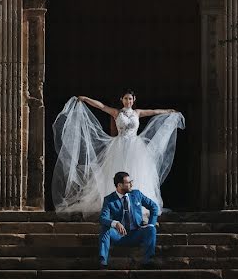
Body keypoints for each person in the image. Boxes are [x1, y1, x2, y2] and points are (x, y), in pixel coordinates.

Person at [51, 89, 185, 213]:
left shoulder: (137, 113)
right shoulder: (117, 113)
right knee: (115, 172)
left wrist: (168, 111)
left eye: (130, 99)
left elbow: (154, 111)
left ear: (134, 99)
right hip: (119, 145)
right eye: (126, 98)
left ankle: (135, 203)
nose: (128, 101)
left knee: (137, 172)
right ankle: (116, 203)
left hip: (135, 146)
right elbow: (101, 106)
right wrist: (86, 99)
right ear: (122, 99)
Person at [98, 172, 159, 268]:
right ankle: (102, 262)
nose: (131, 184)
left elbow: (154, 207)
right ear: (119, 185)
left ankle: (148, 261)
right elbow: (102, 218)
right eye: (128, 182)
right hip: (119, 235)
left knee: (151, 229)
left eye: (131, 181)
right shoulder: (109, 200)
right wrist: (115, 223)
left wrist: (151, 224)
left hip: (136, 233)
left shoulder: (137, 194)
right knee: (105, 229)